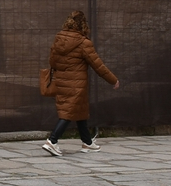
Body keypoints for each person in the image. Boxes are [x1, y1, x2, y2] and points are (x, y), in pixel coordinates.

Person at [41, 10, 119, 156]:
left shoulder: (58, 39)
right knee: (68, 112)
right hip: (77, 84)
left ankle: (87, 143)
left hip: (61, 82)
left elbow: (52, 62)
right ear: (83, 25)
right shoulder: (84, 43)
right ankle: (52, 141)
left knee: (79, 111)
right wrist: (113, 80)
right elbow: (98, 65)